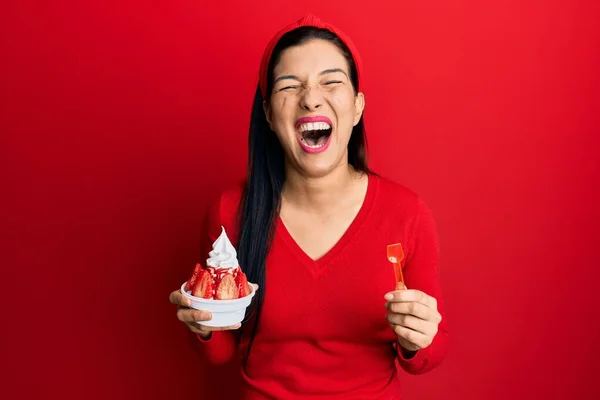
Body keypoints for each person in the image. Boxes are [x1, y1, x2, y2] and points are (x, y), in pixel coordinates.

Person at [169, 14, 448, 399]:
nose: (311, 97)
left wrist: (418, 338)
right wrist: (202, 326)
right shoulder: (230, 211)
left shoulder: (407, 213)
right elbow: (220, 352)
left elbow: (429, 353)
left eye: (331, 82)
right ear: (268, 113)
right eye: (289, 85)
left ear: (356, 107)